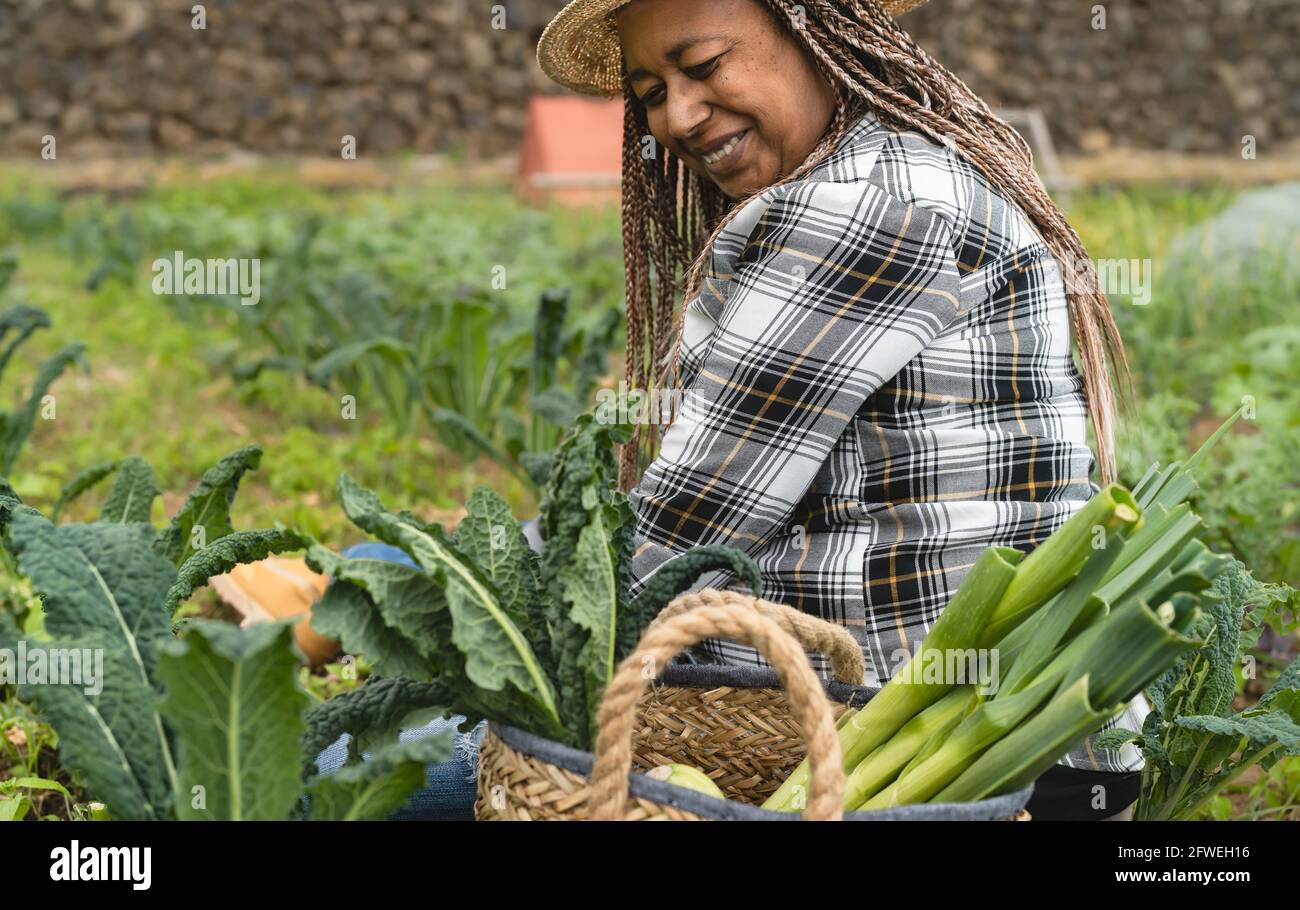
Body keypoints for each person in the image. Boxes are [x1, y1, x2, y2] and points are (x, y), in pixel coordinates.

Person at [316, 0, 1145, 821]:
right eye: (649, 91)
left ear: (816, 30)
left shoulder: (861, 206)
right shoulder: (876, 170)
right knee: (383, 570)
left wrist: (454, 619)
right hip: (874, 709)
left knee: (325, 771)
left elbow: (673, 544)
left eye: (706, 66)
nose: (677, 115)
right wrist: (429, 583)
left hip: (929, 754)